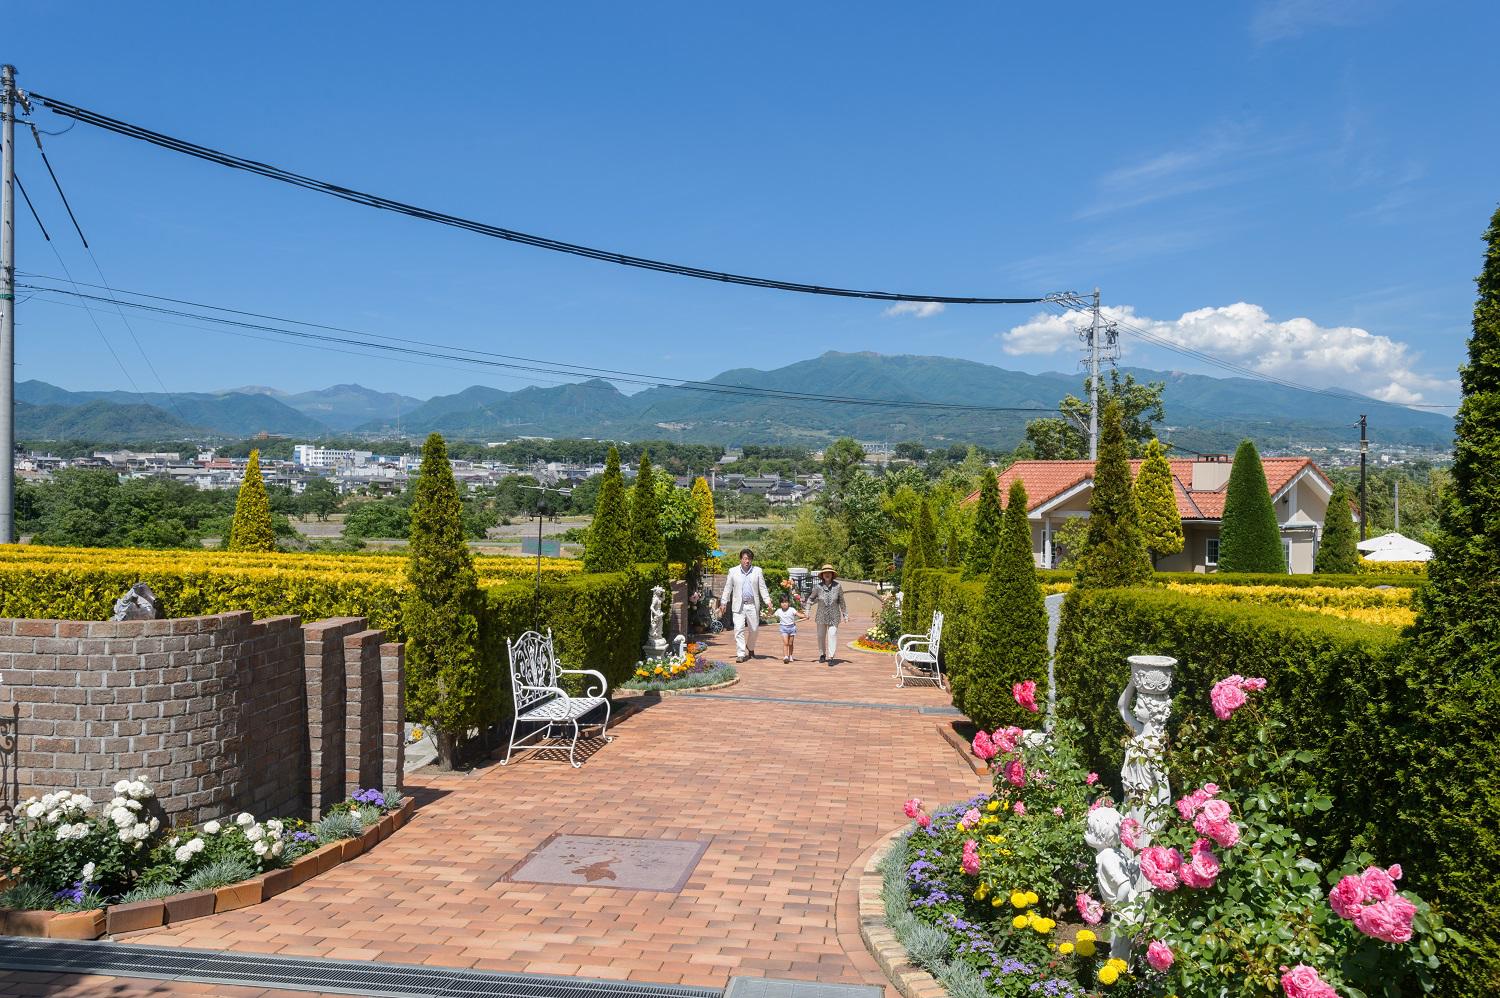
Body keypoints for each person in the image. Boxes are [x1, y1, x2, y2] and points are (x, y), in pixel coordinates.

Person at [720, 548, 772, 662]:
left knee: (754, 629)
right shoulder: (733, 571)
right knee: (738, 629)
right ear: (740, 559)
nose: (747, 561)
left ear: (751, 560)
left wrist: (768, 600)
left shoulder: (757, 571)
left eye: (749, 559)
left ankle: (750, 647)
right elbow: (727, 588)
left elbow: (762, 587)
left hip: (752, 605)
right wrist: (723, 602)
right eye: (744, 559)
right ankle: (741, 654)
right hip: (738, 606)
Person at [806, 564, 848, 665]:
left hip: (834, 615)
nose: (827, 574)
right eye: (825, 573)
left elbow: (842, 601)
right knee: (821, 636)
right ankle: (822, 654)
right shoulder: (818, 587)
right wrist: (807, 610)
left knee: (832, 634)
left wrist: (845, 614)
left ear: (832, 574)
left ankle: (831, 657)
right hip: (821, 615)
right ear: (823, 575)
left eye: (829, 572)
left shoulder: (837, 586)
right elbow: (811, 598)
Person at [774, 595, 806, 663]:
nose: (784, 604)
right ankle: (785, 656)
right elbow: (772, 616)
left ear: (789, 603)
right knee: (785, 643)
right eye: (782, 602)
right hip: (783, 628)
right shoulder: (779, 611)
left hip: (792, 628)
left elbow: (798, 614)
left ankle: (790, 655)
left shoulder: (792, 609)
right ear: (780, 603)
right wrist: (767, 615)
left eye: (786, 602)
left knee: (790, 643)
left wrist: (805, 616)